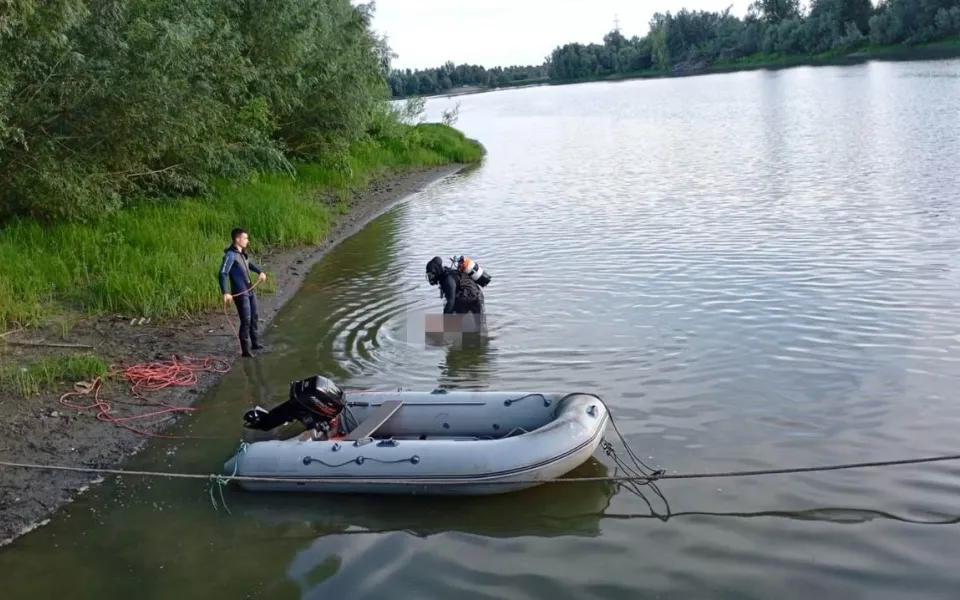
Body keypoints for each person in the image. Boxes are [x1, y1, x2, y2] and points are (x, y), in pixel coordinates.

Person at [219, 228, 267, 357]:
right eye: (245, 238)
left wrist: (260, 271)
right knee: (246, 320)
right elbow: (223, 274)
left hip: (250, 290)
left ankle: (255, 343)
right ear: (237, 239)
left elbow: (248, 264)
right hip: (240, 293)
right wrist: (225, 292)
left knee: (255, 317)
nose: (247, 240)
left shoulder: (242, 253)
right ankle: (245, 351)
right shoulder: (230, 255)